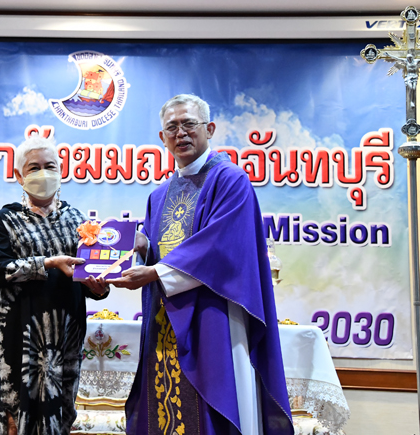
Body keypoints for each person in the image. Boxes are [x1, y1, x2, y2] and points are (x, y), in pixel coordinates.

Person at [107, 94, 292, 435]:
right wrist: (142, 247)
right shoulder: (159, 195)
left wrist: (154, 272)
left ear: (209, 129)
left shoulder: (230, 180)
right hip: (165, 318)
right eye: (172, 128)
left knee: (212, 409)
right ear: (162, 138)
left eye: (189, 124)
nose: (181, 133)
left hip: (214, 314)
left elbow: (220, 246)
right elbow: (159, 249)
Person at [0, 135, 109, 435]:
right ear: (19, 176)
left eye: (50, 166)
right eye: (34, 167)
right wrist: (49, 263)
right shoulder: (7, 219)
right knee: (15, 419)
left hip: (65, 335)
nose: (43, 173)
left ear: (61, 170)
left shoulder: (78, 220)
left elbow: (88, 275)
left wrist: (99, 287)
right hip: (19, 333)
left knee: (60, 416)